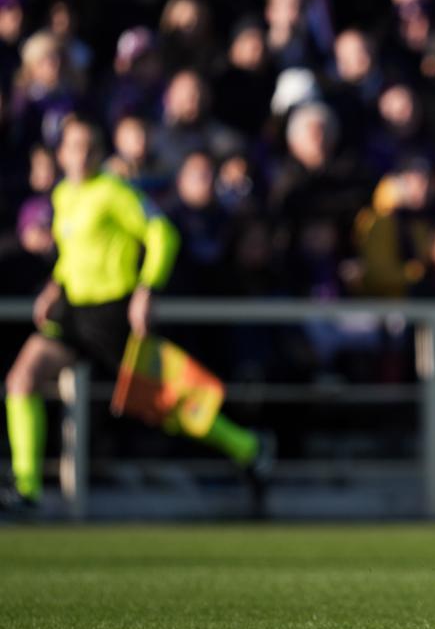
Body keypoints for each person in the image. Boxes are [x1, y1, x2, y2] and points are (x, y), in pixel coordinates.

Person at [2, 116, 270, 513]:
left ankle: (248, 448)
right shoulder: (63, 195)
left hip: (113, 316)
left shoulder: (115, 192)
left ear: (99, 152)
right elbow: (74, 253)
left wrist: (147, 287)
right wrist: (55, 284)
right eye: (73, 147)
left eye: (89, 147)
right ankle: (27, 489)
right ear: (61, 153)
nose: (81, 155)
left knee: (168, 402)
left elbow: (162, 234)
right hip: (74, 313)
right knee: (22, 378)